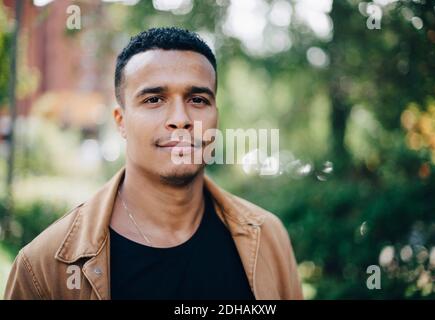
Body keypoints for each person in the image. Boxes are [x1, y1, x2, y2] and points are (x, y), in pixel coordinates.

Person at [4, 27, 303, 300]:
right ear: (121, 121)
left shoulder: (267, 236)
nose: (181, 119)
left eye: (198, 99)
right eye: (154, 100)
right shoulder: (44, 266)